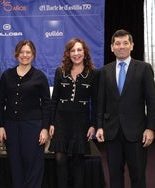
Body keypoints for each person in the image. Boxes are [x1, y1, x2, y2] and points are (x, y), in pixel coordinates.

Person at [96, 29, 155, 188]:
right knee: (114, 175)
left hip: (136, 132)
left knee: (138, 175)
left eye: (125, 43)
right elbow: (100, 102)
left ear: (132, 46)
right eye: (117, 43)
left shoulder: (144, 68)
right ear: (111, 47)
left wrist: (150, 128)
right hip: (112, 132)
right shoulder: (104, 71)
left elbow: (151, 101)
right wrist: (99, 126)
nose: (121, 46)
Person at [0, 40, 50, 188]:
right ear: (16, 54)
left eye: (28, 52)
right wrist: (0, 126)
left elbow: (46, 105)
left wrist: (45, 128)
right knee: (15, 164)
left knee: (34, 165)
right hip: (11, 127)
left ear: (33, 55)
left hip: (33, 127)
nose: (24, 55)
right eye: (21, 52)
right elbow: (0, 103)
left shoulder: (40, 76)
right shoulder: (7, 75)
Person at [48, 38, 99, 188]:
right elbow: (54, 100)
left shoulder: (93, 74)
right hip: (61, 121)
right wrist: (51, 122)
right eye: (73, 50)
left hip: (81, 122)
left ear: (85, 52)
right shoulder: (60, 72)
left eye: (79, 50)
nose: (76, 53)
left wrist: (93, 125)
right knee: (60, 159)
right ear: (68, 53)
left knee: (78, 161)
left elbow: (95, 102)